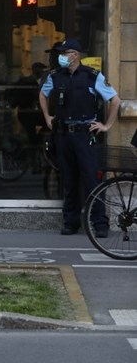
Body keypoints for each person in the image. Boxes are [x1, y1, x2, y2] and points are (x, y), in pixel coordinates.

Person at [39, 38, 120, 237]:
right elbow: (42, 95)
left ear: (75, 55)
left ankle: (100, 223)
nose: (61, 57)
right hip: (63, 134)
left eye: (64, 53)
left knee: (91, 179)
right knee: (69, 180)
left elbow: (115, 100)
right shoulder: (55, 76)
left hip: (85, 135)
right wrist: (47, 117)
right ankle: (71, 222)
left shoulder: (93, 76)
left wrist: (106, 125)